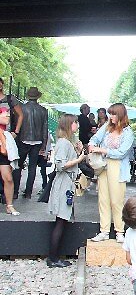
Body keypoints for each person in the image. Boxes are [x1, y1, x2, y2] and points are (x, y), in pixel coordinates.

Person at [89, 103, 135, 243]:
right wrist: (92, 145)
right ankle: (104, 230)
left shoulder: (128, 132)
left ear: (120, 115)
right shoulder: (107, 127)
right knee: (103, 199)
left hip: (118, 166)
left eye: (113, 114)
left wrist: (102, 150)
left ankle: (119, 231)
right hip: (104, 165)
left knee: (117, 200)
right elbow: (95, 138)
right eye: (110, 113)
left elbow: (121, 153)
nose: (111, 116)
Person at [47, 114, 85, 268]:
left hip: (66, 182)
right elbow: (60, 165)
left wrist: (78, 150)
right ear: (69, 124)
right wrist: (79, 159)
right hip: (64, 183)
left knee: (61, 220)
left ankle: (54, 256)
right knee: (61, 220)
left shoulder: (67, 142)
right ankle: (53, 258)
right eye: (75, 122)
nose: (77, 124)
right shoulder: (63, 142)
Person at [14, 86, 48, 199]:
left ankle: (14, 192)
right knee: (32, 167)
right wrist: (43, 145)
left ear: (28, 96)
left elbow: (16, 125)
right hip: (37, 141)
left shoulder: (21, 108)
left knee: (18, 166)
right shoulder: (43, 110)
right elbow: (45, 129)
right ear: (37, 97)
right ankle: (28, 193)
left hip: (23, 139)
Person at [0, 107, 19, 215]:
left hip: (3, 156)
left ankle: (9, 205)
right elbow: (4, 150)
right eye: (4, 113)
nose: (7, 115)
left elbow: (4, 151)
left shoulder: (5, 132)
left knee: (8, 178)